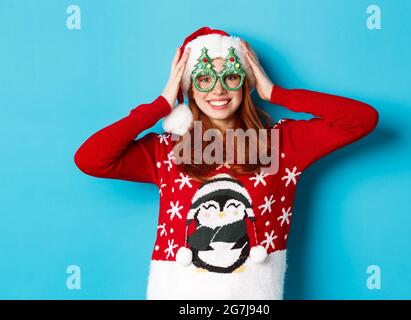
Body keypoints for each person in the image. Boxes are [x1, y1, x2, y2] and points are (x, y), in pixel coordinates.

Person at [74, 26, 379, 299]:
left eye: (230, 76)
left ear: (245, 83)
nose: (218, 90)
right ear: (189, 87)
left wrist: (275, 92)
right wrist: (162, 104)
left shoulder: (284, 142)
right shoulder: (167, 151)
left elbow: (361, 120)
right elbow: (90, 159)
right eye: (204, 79)